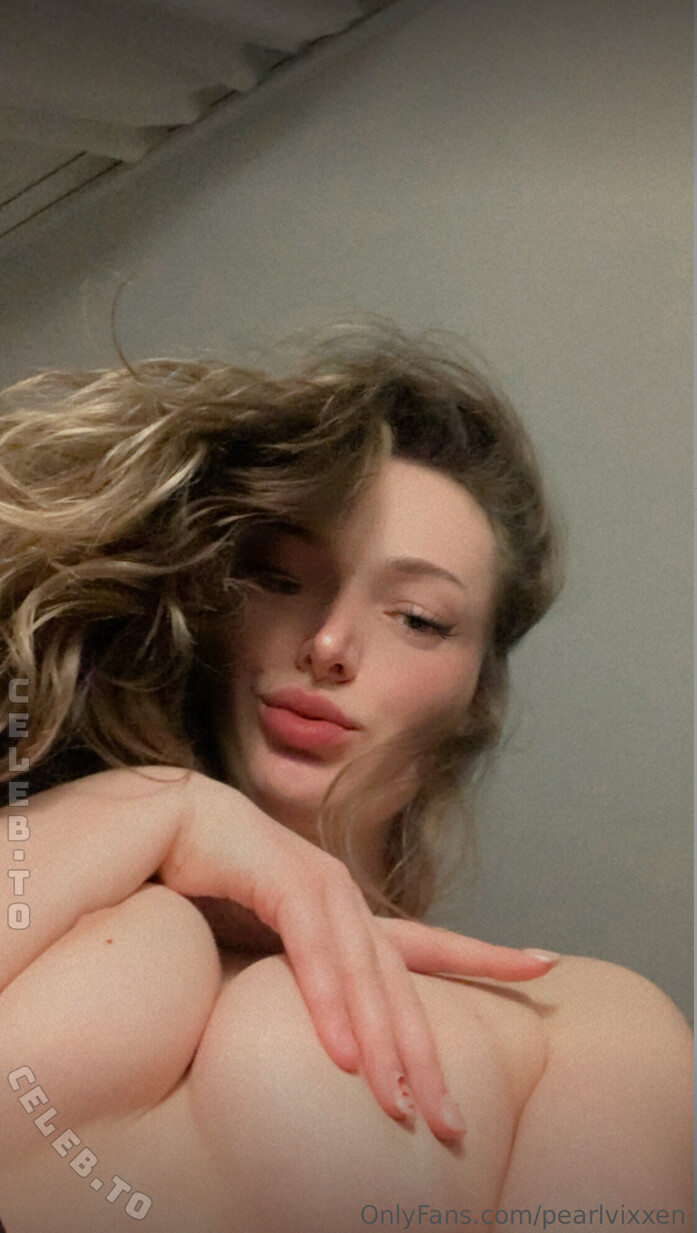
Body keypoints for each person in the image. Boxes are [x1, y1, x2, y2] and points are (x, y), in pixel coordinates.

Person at [0, 323, 692, 1232]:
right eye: (278, 577)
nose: (329, 643)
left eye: (417, 617)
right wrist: (158, 806)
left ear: (475, 695)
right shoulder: (52, 867)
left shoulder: (577, 1024)